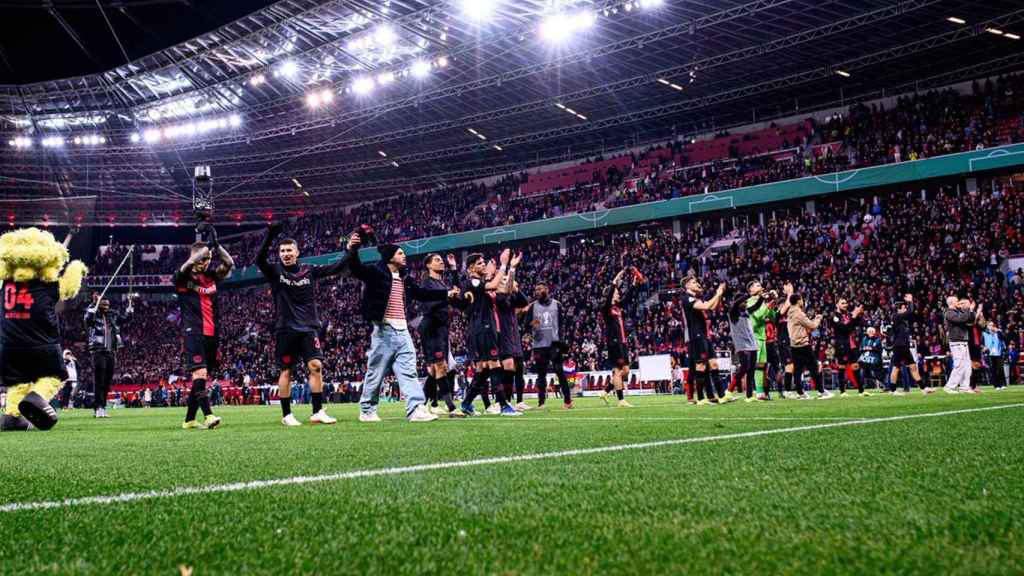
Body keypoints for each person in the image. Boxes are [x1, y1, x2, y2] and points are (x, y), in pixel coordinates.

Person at [347, 235, 459, 422]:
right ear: (390, 257)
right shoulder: (376, 273)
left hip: (402, 330)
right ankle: (367, 409)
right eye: (400, 253)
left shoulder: (405, 278)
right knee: (376, 372)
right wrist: (352, 249)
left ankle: (416, 408)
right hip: (383, 331)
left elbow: (421, 294)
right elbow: (357, 269)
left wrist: (445, 293)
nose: (404, 256)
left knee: (409, 370)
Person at [257, 223, 352, 426]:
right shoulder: (275, 271)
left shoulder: (309, 270)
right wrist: (269, 236)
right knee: (286, 372)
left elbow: (336, 267)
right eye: (282, 251)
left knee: (316, 366)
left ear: (297, 252)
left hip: (308, 327)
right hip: (285, 328)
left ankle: (317, 411)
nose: (285, 254)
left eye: (289, 250)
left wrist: (351, 250)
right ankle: (286, 415)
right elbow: (259, 260)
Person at [174, 230, 234, 430]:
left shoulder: (210, 276)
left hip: (212, 332)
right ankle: (208, 415)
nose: (206, 262)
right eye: (202, 259)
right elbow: (186, 266)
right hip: (194, 331)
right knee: (199, 373)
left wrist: (216, 246)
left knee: (201, 377)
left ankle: (189, 420)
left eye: (208, 259)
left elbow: (229, 264)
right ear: (194, 258)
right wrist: (205, 245)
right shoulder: (182, 277)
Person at [458, 251, 518, 416]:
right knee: (493, 364)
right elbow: (492, 286)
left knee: (483, 368)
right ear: (471, 267)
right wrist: (503, 264)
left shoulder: (481, 281)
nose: (483, 265)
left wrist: (511, 268)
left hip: (487, 327)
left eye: (484, 262)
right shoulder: (473, 281)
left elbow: (505, 290)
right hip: (482, 328)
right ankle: (503, 404)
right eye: (480, 263)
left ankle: (466, 403)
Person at [417, 253, 467, 417]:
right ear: (429, 265)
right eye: (437, 260)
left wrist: (453, 270)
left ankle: (421, 404)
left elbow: (456, 296)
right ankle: (452, 407)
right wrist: (446, 296)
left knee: (434, 370)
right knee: (441, 367)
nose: (441, 262)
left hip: (442, 328)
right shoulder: (426, 283)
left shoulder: (441, 283)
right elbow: (427, 306)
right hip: (431, 327)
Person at [600, 267, 648, 408]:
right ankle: (621, 400)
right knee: (617, 370)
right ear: (610, 295)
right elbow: (609, 296)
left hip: (622, 342)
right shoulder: (606, 309)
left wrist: (634, 283)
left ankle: (605, 391)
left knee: (625, 371)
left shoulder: (618, 307)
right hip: (614, 343)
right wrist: (615, 281)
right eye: (616, 293)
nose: (618, 294)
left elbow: (628, 297)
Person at [523, 282, 573, 409]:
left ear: (546, 289)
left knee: (559, 371)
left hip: (554, 344)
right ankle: (541, 403)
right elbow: (526, 324)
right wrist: (536, 323)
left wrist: (562, 342)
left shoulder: (557, 305)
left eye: (539, 289)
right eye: (535, 290)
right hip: (539, 345)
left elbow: (563, 324)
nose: (536, 292)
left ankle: (568, 401)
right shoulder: (533, 306)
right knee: (541, 375)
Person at [680, 274, 726, 406]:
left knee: (714, 364)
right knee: (700, 366)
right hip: (696, 336)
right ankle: (700, 398)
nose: (698, 284)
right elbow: (706, 307)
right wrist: (717, 294)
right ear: (687, 285)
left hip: (705, 336)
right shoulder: (687, 298)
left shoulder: (696, 298)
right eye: (694, 282)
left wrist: (720, 294)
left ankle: (721, 396)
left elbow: (712, 307)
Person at [84, 293, 133, 418]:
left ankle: (103, 406)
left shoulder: (113, 314)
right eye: (103, 304)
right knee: (99, 380)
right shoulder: (93, 313)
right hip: (98, 350)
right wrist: (92, 307)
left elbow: (126, 320)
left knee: (107, 381)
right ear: (98, 304)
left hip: (111, 351)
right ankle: (98, 407)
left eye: (107, 304)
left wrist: (130, 310)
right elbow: (88, 320)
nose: (106, 306)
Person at [496, 252, 530, 411]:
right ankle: (502, 401)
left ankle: (511, 401)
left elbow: (524, 301)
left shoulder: (510, 298)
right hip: (502, 337)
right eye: (503, 281)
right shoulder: (499, 298)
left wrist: (516, 289)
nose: (507, 283)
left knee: (517, 369)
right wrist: (512, 270)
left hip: (514, 337)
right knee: (507, 368)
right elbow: (504, 295)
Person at [786, 292, 829, 399]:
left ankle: (801, 393)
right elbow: (813, 326)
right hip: (803, 344)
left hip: (794, 345)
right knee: (814, 368)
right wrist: (818, 319)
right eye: (802, 299)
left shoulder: (790, 313)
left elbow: (805, 327)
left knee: (798, 370)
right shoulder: (798, 313)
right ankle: (821, 391)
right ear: (799, 301)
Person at [888, 294, 932, 395]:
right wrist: (910, 301)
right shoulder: (896, 316)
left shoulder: (902, 320)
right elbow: (911, 311)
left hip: (905, 346)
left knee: (913, 367)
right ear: (899, 309)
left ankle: (923, 388)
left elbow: (910, 313)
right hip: (899, 346)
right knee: (896, 367)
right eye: (904, 307)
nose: (905, 309)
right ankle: (893, 390)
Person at [745, 280, 779, 401]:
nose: (761, 286)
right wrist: (768, 304)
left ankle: (761, 392)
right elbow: (759, 315)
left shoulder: (762, 302)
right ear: (751, 290)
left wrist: (773, 303)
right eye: (757, 285)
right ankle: (755, 391)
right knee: (755, 366)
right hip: (754, 337)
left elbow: (772, 317)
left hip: (763, 337)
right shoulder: (749, 302)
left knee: (762, 366)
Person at [831, 297, 868, 397]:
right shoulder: (835, 316)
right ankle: (842, 391)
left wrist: (859, 314)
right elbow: (844, 328)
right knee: (842, 367)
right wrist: (854, 316)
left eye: (846, 303)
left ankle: (861, 391)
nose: (845, 305)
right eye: (842, 303)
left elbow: (856, 324)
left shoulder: (847, 314)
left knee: (856, 366)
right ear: (837, 305)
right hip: (842, 344)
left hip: (851, 344)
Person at [726, 293, 758, 401]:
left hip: (752, 343)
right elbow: (736, 303)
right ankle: (729, 391)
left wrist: (762, 297)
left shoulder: (746, 312)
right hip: (741, 344)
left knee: (751, 371)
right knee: (744, 368)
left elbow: (756, 306)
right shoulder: (733, 312)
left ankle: (749, 396)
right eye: (744, 302)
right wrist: (750, 294)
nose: (746, 303)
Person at [942, 296, 976, 394]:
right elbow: (961, 319)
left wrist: (971, 310)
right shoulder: (949, 313)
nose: (959, 303)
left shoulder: (959, 312)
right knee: (959, 365)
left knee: (967, 365)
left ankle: (964, 387)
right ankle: (949, 387)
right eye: (957, 301)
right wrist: (966, 308)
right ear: (952, 303)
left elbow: (970, 321)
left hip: (964, 341)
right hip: (956, 342)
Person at [983, 321, 1007, 390]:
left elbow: (1004, 338)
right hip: (990, 353)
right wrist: (983, 347)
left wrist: (998, 331)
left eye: (992, 325)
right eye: (990, 325)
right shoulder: (985, 334)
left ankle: (1002, 384)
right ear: (987, 326)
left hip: (998, 352)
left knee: (1000, 369)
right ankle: (996, 385)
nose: (991, 327)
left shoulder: (998, 332)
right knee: (993, 370)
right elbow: (982, 344)